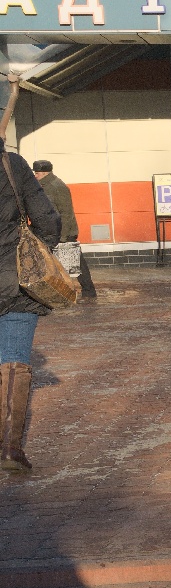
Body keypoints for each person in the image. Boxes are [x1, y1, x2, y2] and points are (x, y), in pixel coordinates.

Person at [0, 144, 63, 474]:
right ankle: (9, 448)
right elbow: (47, 220)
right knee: (13, 360)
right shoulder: (12, 164)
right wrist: (35, 253)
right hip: (16, 280)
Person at [32, 160, 96, 301]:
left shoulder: (57, 186)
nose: (35, 176)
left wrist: (63, 236)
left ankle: (89, 291)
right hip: (52, 232)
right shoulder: (43, 186)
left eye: (37, 173)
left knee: (76, 263)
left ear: (44, 173)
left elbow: (66, 213)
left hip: (63, 233)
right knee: (64, 262)